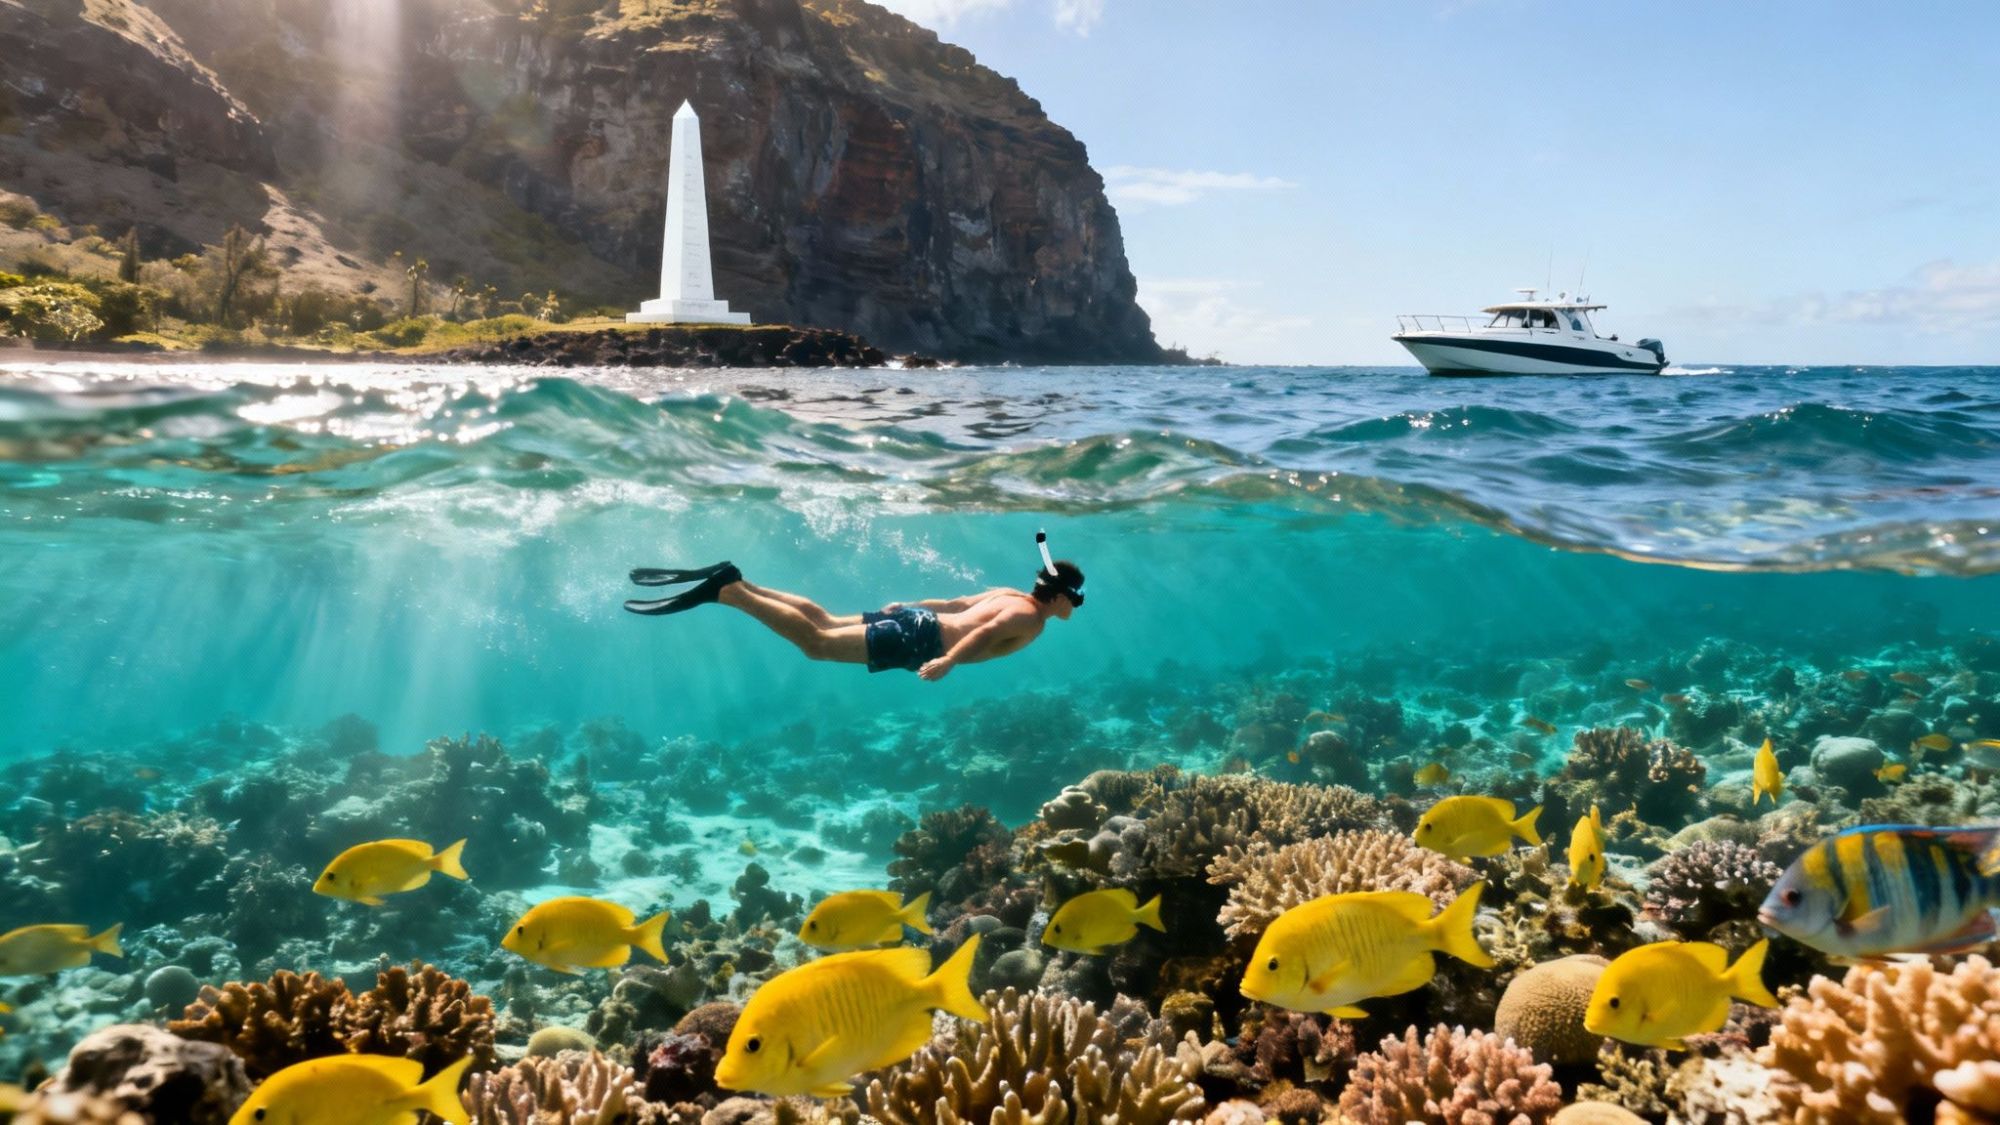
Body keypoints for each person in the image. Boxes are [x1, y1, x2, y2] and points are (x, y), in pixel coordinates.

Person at [623, 556, 1083, 681]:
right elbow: (982, 629)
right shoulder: (1030, 618)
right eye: (1074, 600)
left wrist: (908, 604)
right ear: (1060, 596)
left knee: (823, 619)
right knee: (817, 643)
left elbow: (959, 602)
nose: (1074, 609)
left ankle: (740, 580)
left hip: (919, 624)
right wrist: (948, 662)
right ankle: (729, 593)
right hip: (923, 645)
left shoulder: (1009, 593)